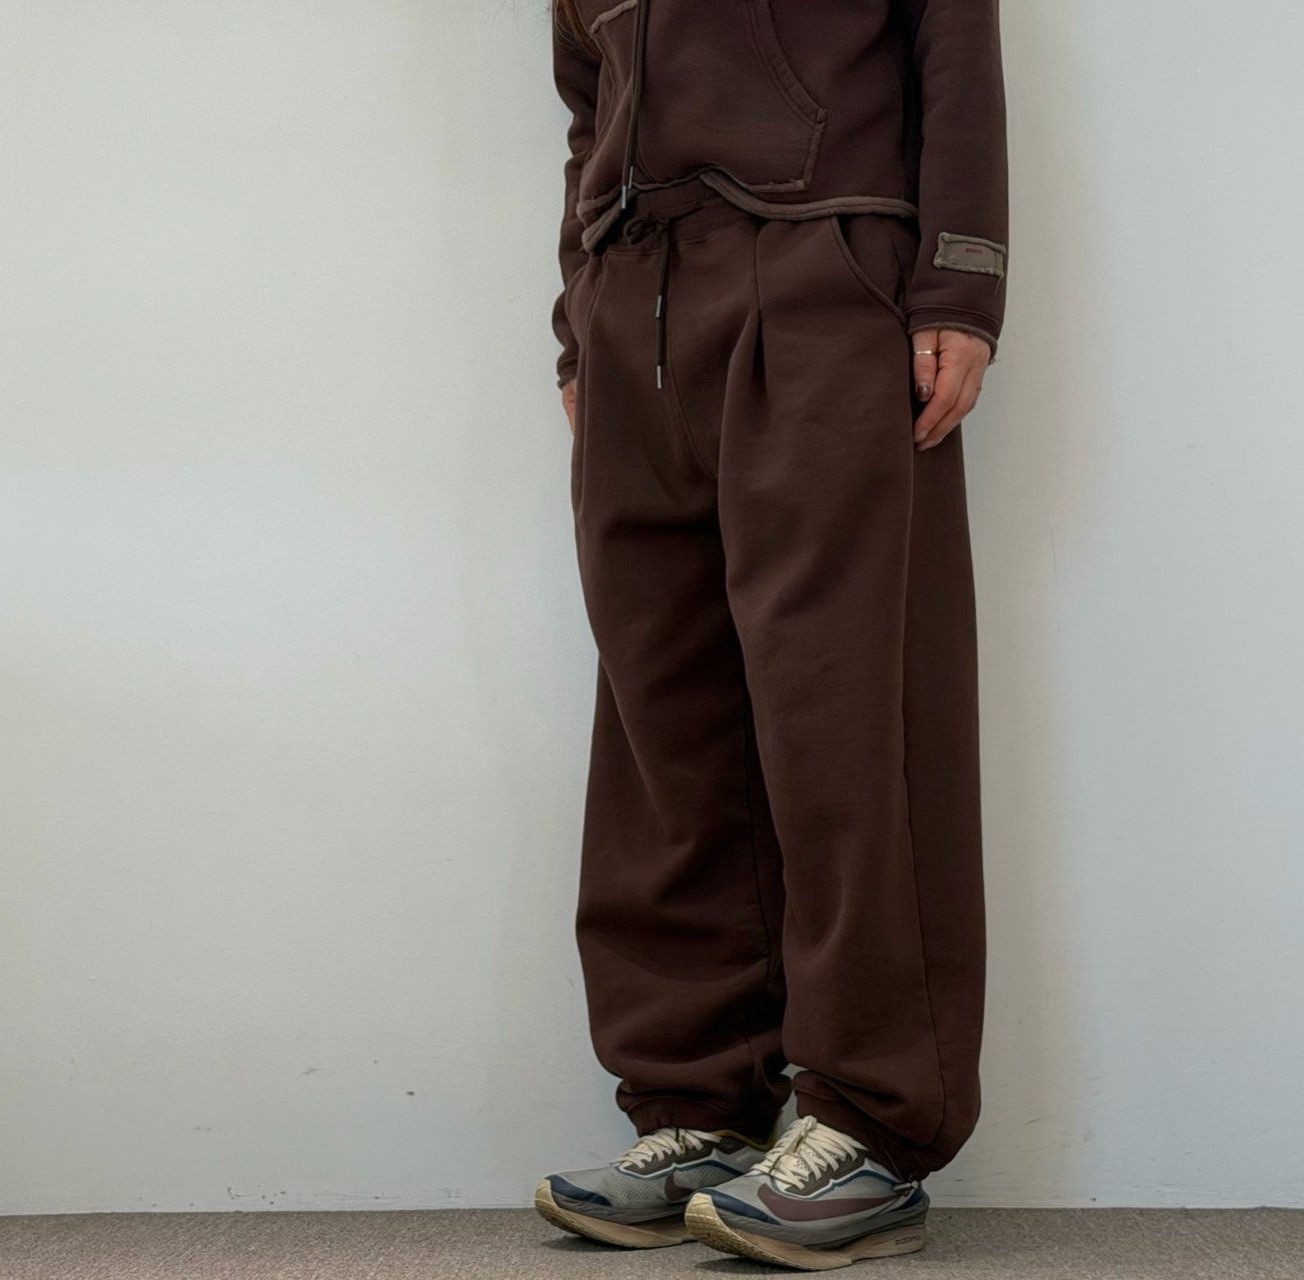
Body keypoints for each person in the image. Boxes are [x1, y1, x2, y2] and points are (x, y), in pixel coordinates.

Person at [533, 0, 1007, 1268]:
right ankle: (697, 1104)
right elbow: (587, 100)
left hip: (822, 266)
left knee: (843, 706)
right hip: (634, 295)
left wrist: (960, 277)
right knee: (662, 726)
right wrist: (578, 320)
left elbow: (952, 41)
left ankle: (873, 1122)